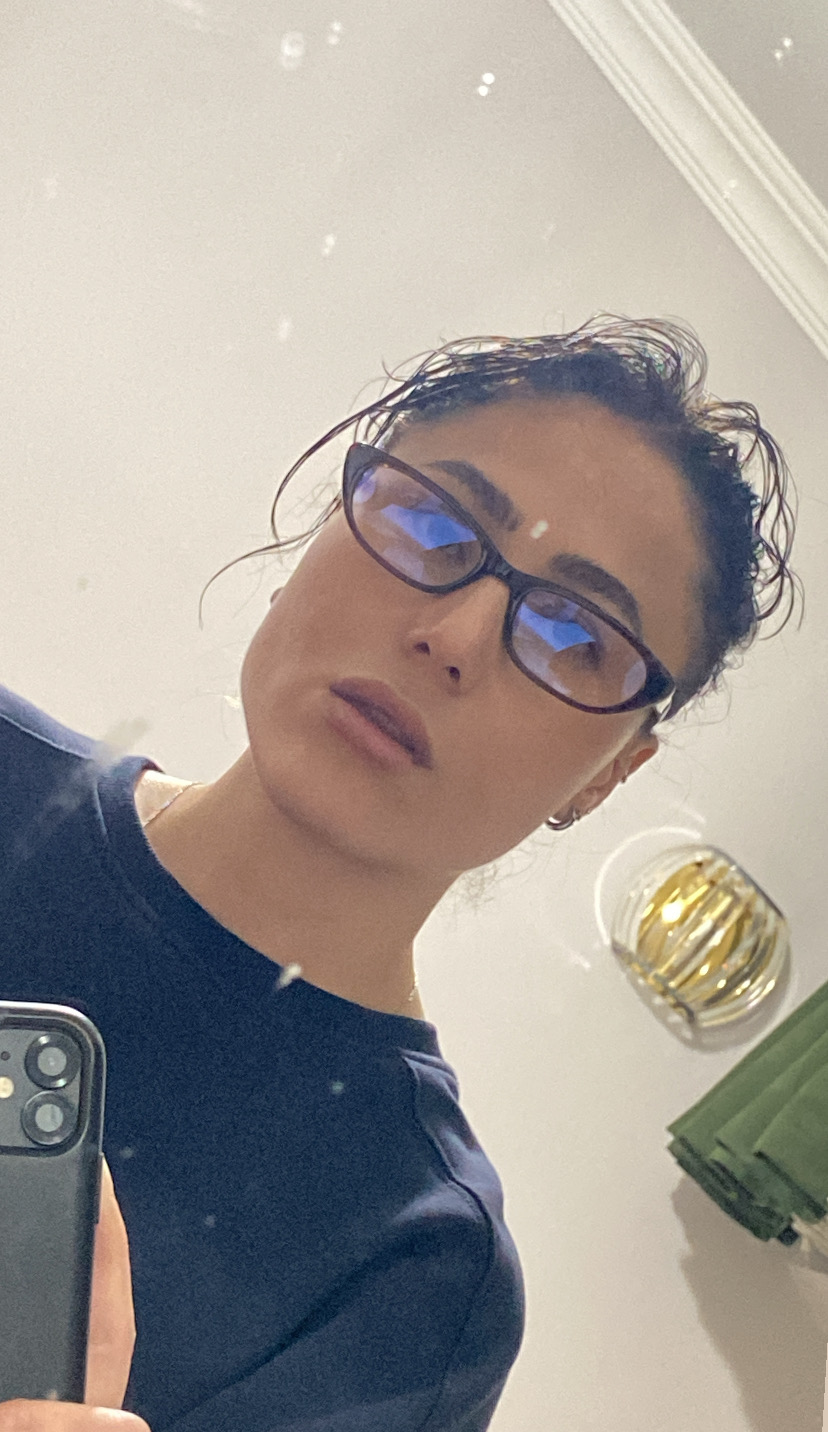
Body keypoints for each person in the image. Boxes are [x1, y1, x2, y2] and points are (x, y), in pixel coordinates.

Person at [0, 315, 799, 1431]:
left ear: (610, 773)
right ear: (324, 525)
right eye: (433, 523)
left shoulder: (420, 1281)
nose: (456, 635)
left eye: (576, 637)